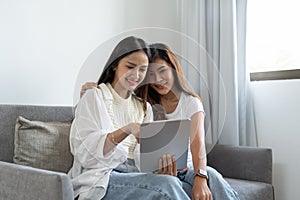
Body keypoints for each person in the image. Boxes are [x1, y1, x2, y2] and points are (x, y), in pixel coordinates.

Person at [80, 42, 240, 200]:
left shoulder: (183, 102)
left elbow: (197, 143)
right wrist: (87, 94)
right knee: (168, 184)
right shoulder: (145, 100)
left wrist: (200, 177)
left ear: (174, 69)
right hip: (120, 172)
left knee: (212, 176)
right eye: (150, 74)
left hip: (185, 166)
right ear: (115, 65)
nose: (157, 79)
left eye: (162, 71)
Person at [69, 36, 191, 200]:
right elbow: (86, 154)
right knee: (167, 185)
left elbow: (144, 160)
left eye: (142, 70)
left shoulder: (144, 107)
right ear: (114, 65)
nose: (136, 74)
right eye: (130, 66)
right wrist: (127, 129)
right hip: (104, 176)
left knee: (173, 181)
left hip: (136, 173)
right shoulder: (94, 97)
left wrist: (160, 166)